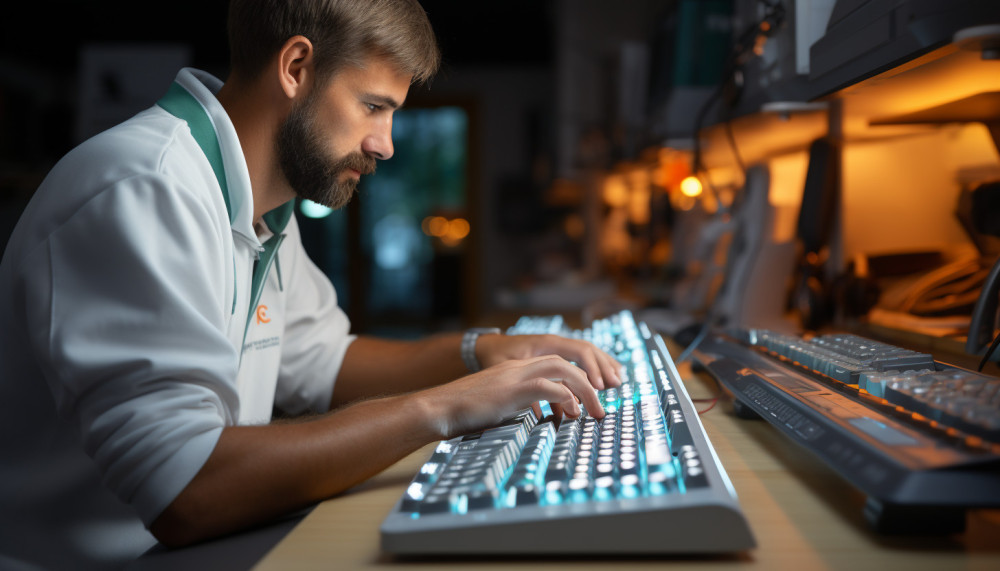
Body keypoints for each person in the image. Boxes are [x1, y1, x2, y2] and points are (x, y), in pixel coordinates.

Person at [0, 0, 622, 568]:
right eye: (373, 106)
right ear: (295, 67)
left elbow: (324, 361)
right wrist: (447, 406)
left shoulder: (261, 201)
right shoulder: (144, 189)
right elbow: (185, 491)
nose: (385, 145)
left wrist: (482, 353)